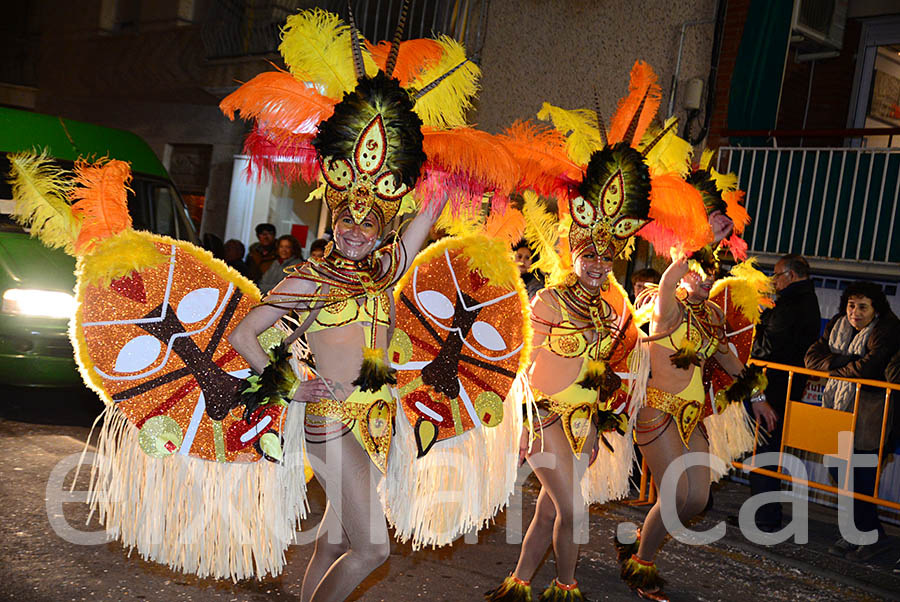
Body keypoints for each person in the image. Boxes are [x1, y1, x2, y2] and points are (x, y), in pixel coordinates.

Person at [222, 8, 519, 600]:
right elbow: (243, 337)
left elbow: (429, 210)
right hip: (329, 422)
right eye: (347, 219)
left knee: (334, 542)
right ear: (332, 213)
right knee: (373, 548)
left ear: (385, 223)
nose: (357, 230)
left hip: (375, 419)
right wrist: (288, 383)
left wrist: (430, 150)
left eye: (370, 222)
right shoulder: (308, 276)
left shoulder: (384, 270)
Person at [486, 61, 667, 602]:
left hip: (583, 424)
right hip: (544, 420)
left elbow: (618, 359)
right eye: (589, 254)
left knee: (547, 515)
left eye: (606, 256)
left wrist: (655, 320)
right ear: (574, 252)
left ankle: (519, 585)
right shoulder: (547, 298)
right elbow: (523, 364)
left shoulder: (609, 309)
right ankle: (564, 589)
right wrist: (520, 423)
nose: (597, 264)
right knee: (573, 512)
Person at [805, 281, 900, 562]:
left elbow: (869, 368)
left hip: (871, 415)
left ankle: (871, 537)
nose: (855, 312)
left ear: (875, 309)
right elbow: (812, 358)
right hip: (836, 409)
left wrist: (835, 364)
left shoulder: (888, 329)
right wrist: (846, 361)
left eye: (862, 307)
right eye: (851, 305)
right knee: (837, 469)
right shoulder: (836, 324)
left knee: (861, 477)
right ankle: (859, 532)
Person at [738, 253, 820, 531]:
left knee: (763, 451)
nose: (773, 281)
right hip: (782, 384)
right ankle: (764, 513)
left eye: (776, 275)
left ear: (791, 275)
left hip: (773, 386)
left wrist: (756, 325)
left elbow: (768, 345)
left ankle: (764, 516)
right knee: (764, 450)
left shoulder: (792, 304)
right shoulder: (805, 301)